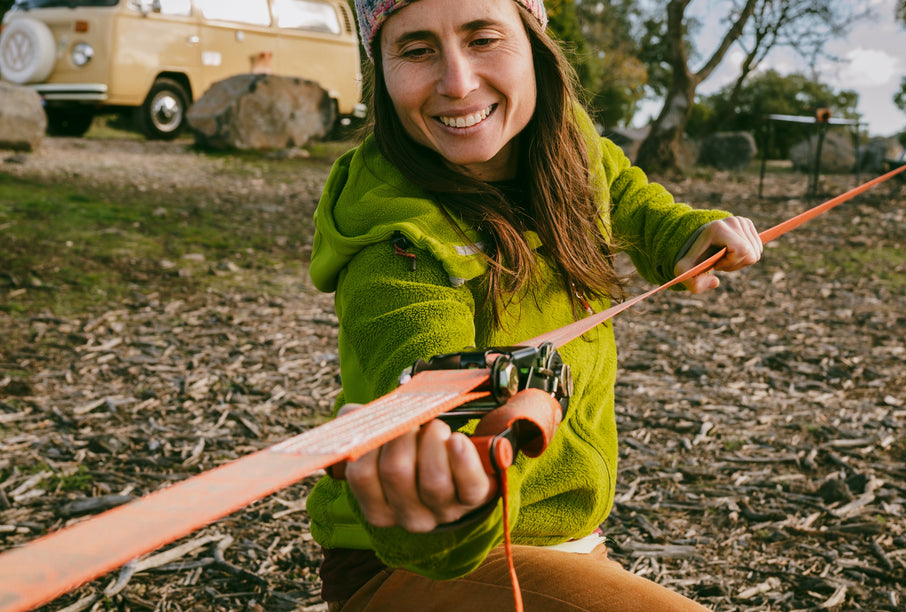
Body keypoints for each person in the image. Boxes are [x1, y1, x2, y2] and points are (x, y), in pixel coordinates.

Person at [306, 0, 764, 609]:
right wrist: (446, 485)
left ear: (535, 44)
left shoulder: (570, 145)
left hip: (567, 544)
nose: (457, 83)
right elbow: (419, 363)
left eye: (483, 39)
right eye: (416, 50)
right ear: (380, 73)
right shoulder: (394, 244)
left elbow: (624, 193)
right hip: (414, 566)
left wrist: (682, 234)